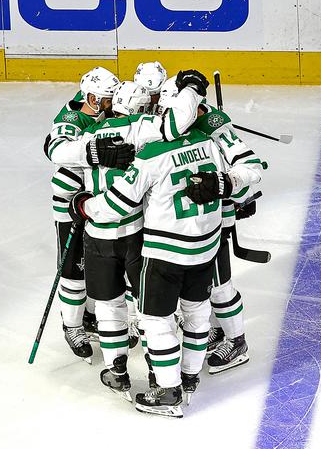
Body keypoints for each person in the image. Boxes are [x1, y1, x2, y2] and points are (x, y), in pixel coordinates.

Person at [74, 71, 260, 418]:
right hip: (206, 236)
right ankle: (189, 376)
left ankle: (222, 351)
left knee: (172, 313)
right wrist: (232, 185)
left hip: (170, 246)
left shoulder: (202, 131)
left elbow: (250, 168)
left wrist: (230, 184)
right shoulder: (204, 140)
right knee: (198, 305)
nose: (157, 105)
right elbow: (247, 172)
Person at [42, 67, 135, 361]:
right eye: (108, 99)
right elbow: (56, 151)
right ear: (92, 98)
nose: (112, 104)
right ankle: (72, 325)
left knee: (99, 267)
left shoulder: (103, 115)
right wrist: (94, 152)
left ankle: (91, 316)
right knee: (73, 270)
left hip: (96, 203)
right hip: (70, 205)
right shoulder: (72, 120)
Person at [177, 92, 268, 375]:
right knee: (202, 286)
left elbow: (248, 168)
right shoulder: (177, 127)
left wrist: (233, 190)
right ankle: (217, 331)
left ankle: (237, 342)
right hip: (193, 224)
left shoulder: (216, 127)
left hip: (214, 222)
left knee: (219, 285)